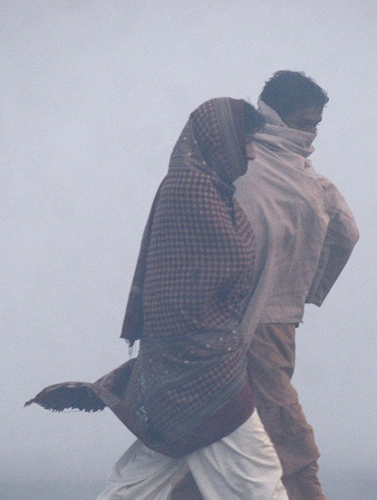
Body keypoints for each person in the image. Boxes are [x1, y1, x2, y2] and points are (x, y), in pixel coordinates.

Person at [26, 97, 287, 500]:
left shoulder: (213, 191)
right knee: (257, 478)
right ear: (220, 140)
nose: (251, 154)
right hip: (202, 366)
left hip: (185, 362)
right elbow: (211, 276)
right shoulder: (193, 192)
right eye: (246, 142)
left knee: (142, 478)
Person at [170, 72, 359, 500]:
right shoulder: (305, 181)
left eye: (316, 125)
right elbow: (346, 235)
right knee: (283, 433)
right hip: (260, 327)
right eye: (304, 123)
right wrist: (303, 286)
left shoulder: (239, 169)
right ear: (277, 116)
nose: (311, 134)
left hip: (234, 324)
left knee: (218, 428)